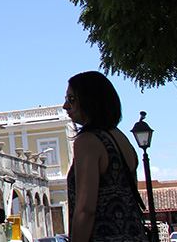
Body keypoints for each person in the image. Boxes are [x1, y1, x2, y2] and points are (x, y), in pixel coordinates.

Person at [64, 71, 145, 242]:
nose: (65, 106)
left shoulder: (87, 142)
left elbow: (86, 209)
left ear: (89, 101)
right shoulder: (121, 139)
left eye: (71, 99)